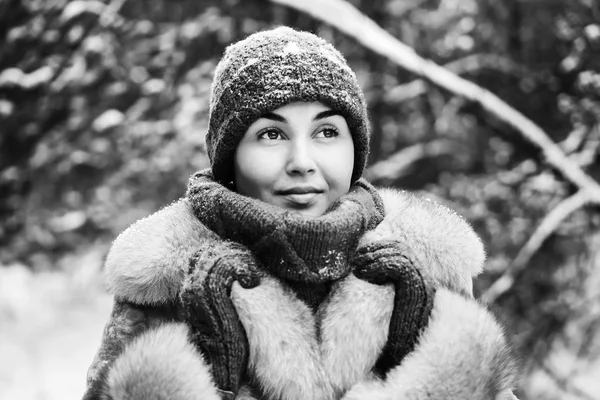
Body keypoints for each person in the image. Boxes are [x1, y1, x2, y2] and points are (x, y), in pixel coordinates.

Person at [82, 27, 519, 400]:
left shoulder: (428, 267)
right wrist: (209, 376)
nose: (302, 161)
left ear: (355, 151)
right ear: (231, 158)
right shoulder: (163, 283)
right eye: (271, 133)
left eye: (327, 131)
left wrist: (423, 367)